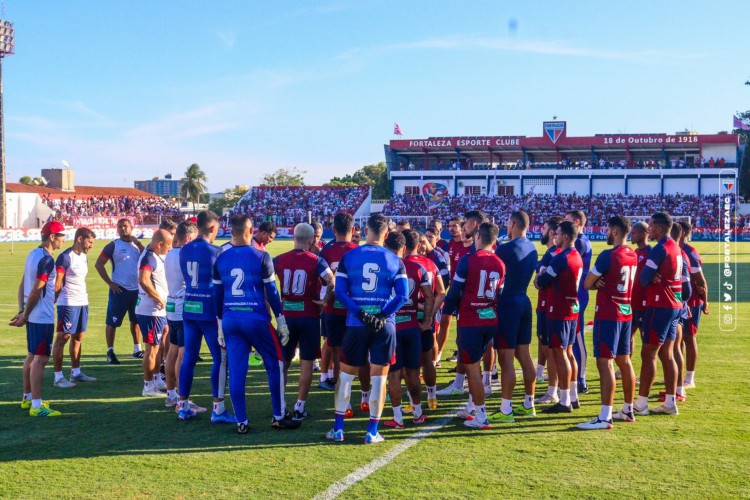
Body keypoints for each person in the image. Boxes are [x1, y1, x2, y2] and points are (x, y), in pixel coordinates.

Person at [325, 214, 409, 444]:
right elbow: (403, 295)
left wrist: (360, 313)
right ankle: (372, 432)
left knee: (346, 376)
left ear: (365, 229)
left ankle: (339, 429)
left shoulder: (349, 256)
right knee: (379, 379)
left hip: (355, 323)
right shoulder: (395, 260)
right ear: (387, 234)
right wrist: (382, 315)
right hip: (384, 325)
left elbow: (340, 293)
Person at [213, 214, 300, 433]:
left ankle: (241, 421)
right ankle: (279, 415)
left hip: (231, 318)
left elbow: (217, 295)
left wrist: (220, 325)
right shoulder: (261, 256)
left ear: (230, 231)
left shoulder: (220, 257)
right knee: (276, 364)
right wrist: (281, 321)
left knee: (237, 371)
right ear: (251, 231)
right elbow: (271, 291)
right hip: (255, 318)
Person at [578, 215, 637, 429]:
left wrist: (598, 283)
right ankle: (628, 409)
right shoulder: (633, 254)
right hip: (626, 311)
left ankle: (605, 416)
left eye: (607, 229)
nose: (605, 233)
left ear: (614, 231)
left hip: (608, 313)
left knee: (605, 363)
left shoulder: (607, 255)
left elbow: (587, 283)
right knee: (625, 360)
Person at [444, 222, 505, 429]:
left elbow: (454, 292)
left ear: (478, 235)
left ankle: (481, 416)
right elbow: (499, 295)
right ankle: (471, 407)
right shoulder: (499, 262)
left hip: (471, 319)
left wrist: (446, 313)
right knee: (477, 363)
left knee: (472, 368)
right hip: (491, 318)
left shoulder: (468, 260)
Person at [177, 211, 234, 423]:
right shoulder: (215, 252)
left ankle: (182, 406)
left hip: (190, 308)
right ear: (211, 228)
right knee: (219, 359)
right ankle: (218, 409)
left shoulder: (184, 250)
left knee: (189, 358)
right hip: (210, 311)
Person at [273, 223, 334, 421]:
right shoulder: (316, 260)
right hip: (308, 316)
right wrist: (325, 301)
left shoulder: (279, 259)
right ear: (311, 240)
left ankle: (280, 405)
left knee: (283, 362)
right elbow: (331, 281)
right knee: (306, 362)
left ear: (293, 237)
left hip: (286, 317)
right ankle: (299, 407)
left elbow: (263, 280)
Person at [10, 220, 67, 416]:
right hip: (41, 315)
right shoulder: (47, 260)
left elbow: (22, 284)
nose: (63, 239)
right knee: (40, 359)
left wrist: (21, 310)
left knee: (32, 356)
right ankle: (36, 406)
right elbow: (36, 289)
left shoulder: (32, 254)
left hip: (32, 313)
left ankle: (27, 398)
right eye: (61, 236)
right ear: (52, 237)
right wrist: (24, 315)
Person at [382, 231, 433, 429]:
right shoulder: (418, 267)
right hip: (412, 327)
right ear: (404, 248)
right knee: (413, 372)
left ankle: (398, 418)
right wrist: (427, 320)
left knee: (394, 373)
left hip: (392, 326)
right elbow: (430, 296)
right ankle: (418, 413)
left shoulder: (384, 267)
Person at [491, 210, 538, 422]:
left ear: (512, 223)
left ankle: (506, 409)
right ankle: (529, 403)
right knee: (524, 355)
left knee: (506, 358)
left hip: (508, 303)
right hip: (524, 301)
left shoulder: (505, 249)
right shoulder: (533, 247)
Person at [635, 212, 683, 416]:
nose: (649, 229)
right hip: (674, 305)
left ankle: (641, 403)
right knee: (667, 354)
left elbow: (644, 279)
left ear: (660, 229)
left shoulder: (659, 249)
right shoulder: (675, 247)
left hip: (659, 305)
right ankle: (670, 402)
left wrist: (652, 275)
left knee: (648, 353)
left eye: (652, 226)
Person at [535, 221, 583, 414]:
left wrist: (540, 278)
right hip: (571, 307)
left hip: (559, 309)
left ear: (564, 237)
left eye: (558, 234)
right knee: (568, 353)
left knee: (559, 354)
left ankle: (564, 401)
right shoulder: (575, 255)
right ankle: (573, 396)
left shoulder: (561, 258)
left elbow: (541, 281)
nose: (554, 236)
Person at [95, 218, 145, 364]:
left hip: (137, 290)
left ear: (132, 227)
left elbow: (147, 257)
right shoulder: (113, 246)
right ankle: (110, 351)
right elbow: (99, 264)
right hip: (120, 290)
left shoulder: (138, 246)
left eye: (126, 226)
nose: (123, 229)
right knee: (113, 322)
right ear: (117, 229)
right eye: (120, 226)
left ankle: (137, 349)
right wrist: (110, 283)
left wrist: (138, 242)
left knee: (136, 321)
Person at [163, 220, 201, 411]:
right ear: (187, 238)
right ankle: (182, 400)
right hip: (183, 307)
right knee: (182, 355)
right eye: (194, 239)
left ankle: (171, 395)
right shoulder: (184, 256)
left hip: (171, 306)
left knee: (172, 351)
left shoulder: (169, 254)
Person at [52, 227, 97, 388]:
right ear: (79, 239)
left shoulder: (83, 257)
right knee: (63, 338)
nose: (91, 246)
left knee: (78, 337)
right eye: (89, 242)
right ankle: (58, 377)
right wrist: (55, 300)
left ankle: (76, 373)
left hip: (82, 301)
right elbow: (58, 282)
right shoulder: (65, 257)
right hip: (68, 302)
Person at [319, 213, 359, 392]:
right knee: (357, 346)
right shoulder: (358, 250)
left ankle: (339, 383)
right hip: (354, 305)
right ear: (353, 230)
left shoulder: (326, 251)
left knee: (335, 347)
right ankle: (360, 387)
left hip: (332, 305)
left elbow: (322, 280)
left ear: (333, 229)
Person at [411, 231, 446, 409]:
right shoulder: (430, 263)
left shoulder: (401, 264)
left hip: (407, 319)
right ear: (419, 245)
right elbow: (441, 293)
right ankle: (432, 397)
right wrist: (430, 313)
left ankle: (413, 403)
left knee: (409, 364)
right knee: (427, 360)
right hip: (426, 320)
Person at [136, 229, 173, 397]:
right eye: (168, 245)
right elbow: (143, 279)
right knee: (152, 348)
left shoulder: (156, 256)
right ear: (159, 244)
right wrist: (157, 297)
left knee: (159, 345)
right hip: (151, 310)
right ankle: (148, 386)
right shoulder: (149, 257)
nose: (170, 249)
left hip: (157, 311)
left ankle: (157, 379)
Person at [678, 221, 709, 389]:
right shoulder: (677, 250)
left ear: (682, 232)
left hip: (692, 302)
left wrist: (705, 302)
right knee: (677, 340)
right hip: (679, 302)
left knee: (689, 338)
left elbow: (701, 281)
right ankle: (679, 375)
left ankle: (690, 378)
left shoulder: (690, 252)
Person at [536, 216, 563, 405]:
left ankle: (553, 390)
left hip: (549, 306)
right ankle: (563, 389)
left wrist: (538, 277)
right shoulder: (558, 253)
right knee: (559, 350)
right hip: (554, 306)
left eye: (544, 228)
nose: (541, 231)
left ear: (552, 233)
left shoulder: (552, 254)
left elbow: (539, 282)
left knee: (552, 350)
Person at [566, 210, 592, 394]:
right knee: (570, 339)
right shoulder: (580, 241)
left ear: (576, 222)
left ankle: (581, 378)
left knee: (577, 338)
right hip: (574, 294)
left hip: (578, 295)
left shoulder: (580, 242)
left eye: (567, 221)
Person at [629, 221, 652, 360]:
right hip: (632, 302)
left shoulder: (651, 252)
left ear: (644, 234)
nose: (631, 235)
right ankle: (625, 369)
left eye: (634, 233)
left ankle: (645, 372)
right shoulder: (635, 252)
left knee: (646, 341)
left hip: (645, 304)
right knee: (627, 336)